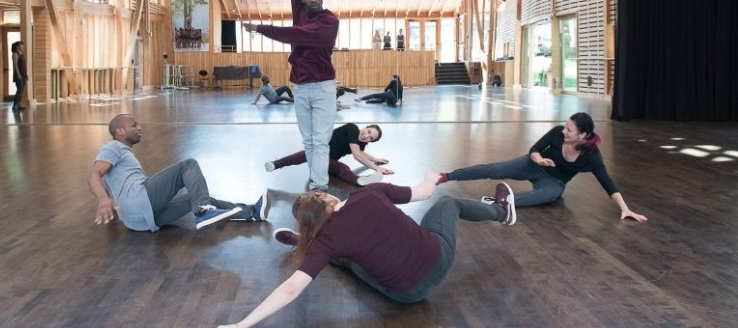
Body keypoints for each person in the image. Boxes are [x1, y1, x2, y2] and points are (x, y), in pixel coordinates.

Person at [217, 174, 517, 328]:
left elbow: (292, 289)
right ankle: (501, 212)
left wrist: (243, 324)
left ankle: (305, 246)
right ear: (325, 195)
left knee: (350, 260)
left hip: (408, 294)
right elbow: (424, 192)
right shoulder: (370, 192)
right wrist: (430, 178)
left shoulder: (327, 239)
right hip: (438, 255)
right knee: (449, 203)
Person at [242, 0, 339, 191]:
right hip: (300, 86)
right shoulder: (301, 10)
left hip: (323, 87)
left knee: (320, 140)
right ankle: (315, 179)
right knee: (308, 141)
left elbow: (298, 36)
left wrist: (261, 28)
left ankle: (320, 187)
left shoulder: (329, 22)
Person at [438, 112, 648, 222]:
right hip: (533, 164)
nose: (564, 131)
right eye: (565, 127)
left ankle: (499, 203)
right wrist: (539, 159)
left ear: (583, 135)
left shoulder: (591, 157)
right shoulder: (557, 133)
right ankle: (447, 176)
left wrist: (625, 209)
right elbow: (535, 148)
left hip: (554, 181)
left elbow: (607, 182)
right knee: (495, 170)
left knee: (549, 196)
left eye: (570, 130)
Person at [88, 114, 269, 232]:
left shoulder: (122, 154)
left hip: (138, 221)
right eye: (134, 125)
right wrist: (103, 199)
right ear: (120, 131)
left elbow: (107, 182)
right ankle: (203, 211)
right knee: (188, 165)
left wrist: (109, 201)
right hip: (139, 199)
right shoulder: (113, 147)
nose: (139, 128)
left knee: (198, 198)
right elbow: (94, 175)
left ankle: (252, 212)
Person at [265, 123, 391, 187]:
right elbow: (357, 155)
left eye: (370, 138)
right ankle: (276, 164)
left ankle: (360, 181)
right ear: (366, 127)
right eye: (368, 131)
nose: (366, 136)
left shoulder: (359, 144)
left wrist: (375, 159)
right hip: (319, 152)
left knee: (342, 168)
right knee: (309, 153)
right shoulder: (352, 129)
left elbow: (362, 153)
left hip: (327, 163)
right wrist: (376, 168)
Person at [11, 41, 27, 111]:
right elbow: (15, 65)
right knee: (19, 90)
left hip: (23, 74)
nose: (22, 46)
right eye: (21, 45)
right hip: (19, 75)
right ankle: (15, 105)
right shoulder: (15, 54)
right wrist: (18, 74)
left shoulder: (21, 54)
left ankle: (18, 104)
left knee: (22, 90)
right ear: (17, 46)